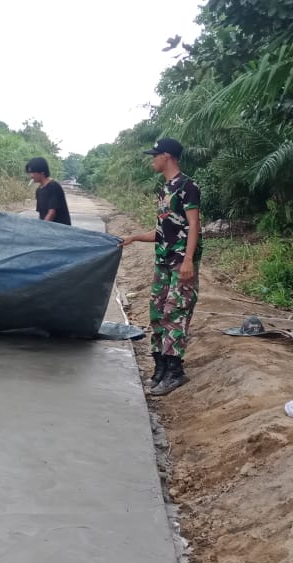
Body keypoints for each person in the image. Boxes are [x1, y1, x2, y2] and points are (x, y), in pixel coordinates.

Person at [119, 138, 202, 396]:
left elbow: (194, 226)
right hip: (163, 262)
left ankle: (175, 371)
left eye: (155, 155)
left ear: (167, 156)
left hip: (180, 263)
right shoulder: (164, 189)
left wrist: (188, 260)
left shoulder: (188, 187)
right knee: (157, 313)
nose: (152, 159)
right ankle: (160, 367)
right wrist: (133, 237)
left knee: (175, 314)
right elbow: (162, 231)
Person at [25, 157, 71, 225]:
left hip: (61, 230)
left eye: (32, 172)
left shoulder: (54, 187)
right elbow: (41, 214)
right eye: (29, 173)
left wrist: (43, 228)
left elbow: (52, 213)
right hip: (48, 229)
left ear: (42, 172)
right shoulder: (39, 190)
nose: (31, 176)